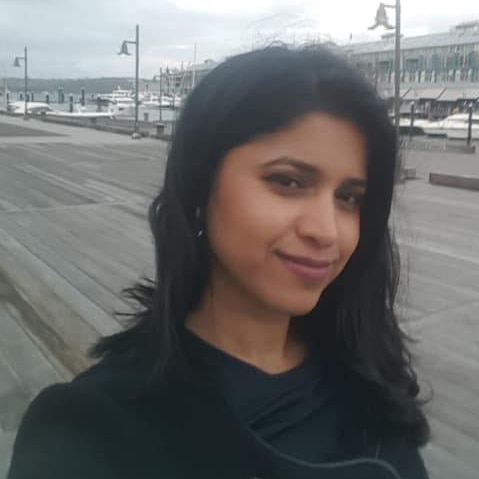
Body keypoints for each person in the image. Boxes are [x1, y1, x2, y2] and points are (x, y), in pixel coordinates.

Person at [8, 46, 430, 479]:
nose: (327, 231)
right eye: (288, 181)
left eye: (348, 198)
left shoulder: (370, 382)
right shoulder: (89, 433)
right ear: (199, 185)